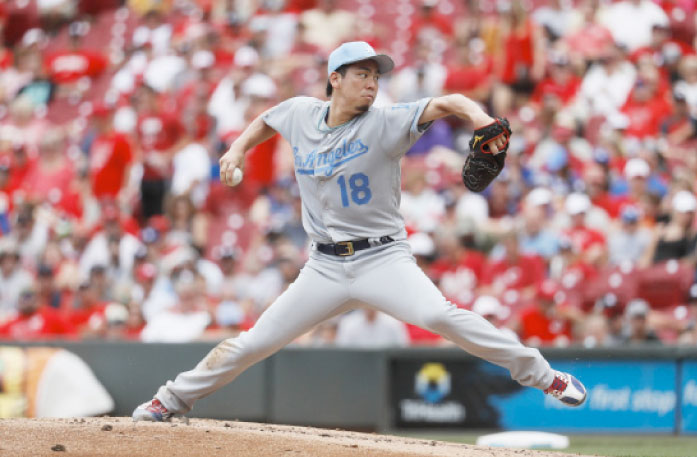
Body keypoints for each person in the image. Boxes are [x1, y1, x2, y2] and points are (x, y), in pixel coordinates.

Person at [133, 41, 587, 422]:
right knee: (256, 341)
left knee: (440, 317)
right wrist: (235, 150)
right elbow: (267, 120)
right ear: (335, 79)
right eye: (362, 75)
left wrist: (482, 120)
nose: (372, 84)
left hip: (382, 260)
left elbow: (448, 102)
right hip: (324, 266)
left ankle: (544, 376)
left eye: (376, 76)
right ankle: (170, 399)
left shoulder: (386, 123)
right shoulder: (300, 113)